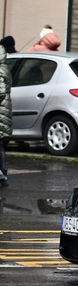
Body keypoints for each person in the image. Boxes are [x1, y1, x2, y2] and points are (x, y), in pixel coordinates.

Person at [0, 45, 11, 185]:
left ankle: (2, 173)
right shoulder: (4, 69)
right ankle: (2, 172)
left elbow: (1, 92)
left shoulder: (0, 71)